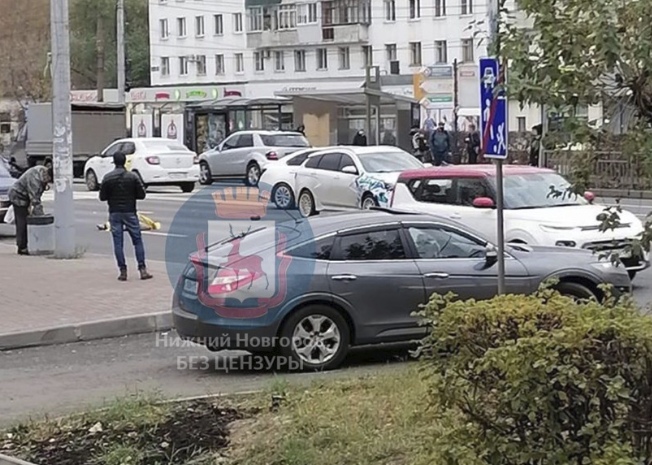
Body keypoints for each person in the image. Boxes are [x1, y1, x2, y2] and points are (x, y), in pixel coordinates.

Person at [99, 152, 153, 281]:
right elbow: (142, 195)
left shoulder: (108, 177)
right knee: (137, 240)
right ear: (124, 162)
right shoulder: (132, 177)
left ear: (114, 161)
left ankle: (123, 271)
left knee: (118, 243)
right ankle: (142, 269)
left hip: (114, 212)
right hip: (130, 211)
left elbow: (102, 197)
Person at [7, 164, 52, 255]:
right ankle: (22, 247)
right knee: (22, 221)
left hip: (25, 195)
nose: (48, 182)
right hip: (17, 196)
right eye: (48, 180)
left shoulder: (42, 171)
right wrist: (40, 217)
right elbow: (35, 199)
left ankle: (25, 244)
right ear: (46, 175)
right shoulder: (34, 179)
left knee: (25, 219)